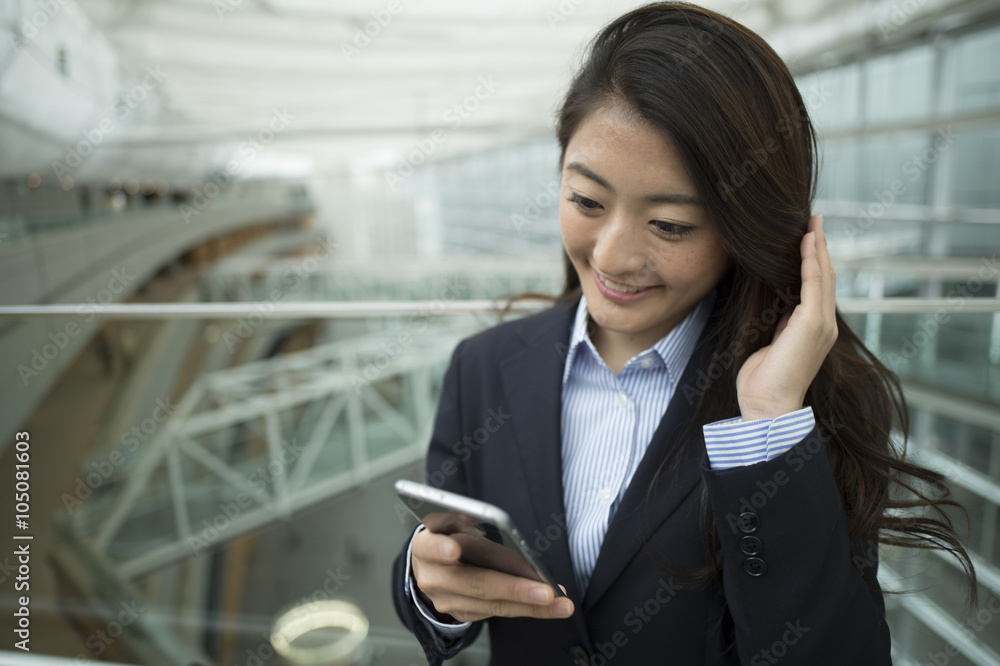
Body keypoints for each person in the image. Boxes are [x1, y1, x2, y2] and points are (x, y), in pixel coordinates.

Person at [391, 3, 977, 665]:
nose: (611, 256)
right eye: (586, 201)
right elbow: (443, 562)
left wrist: (767, 429)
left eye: (669, 225)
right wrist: (426, 588)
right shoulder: (485, 366)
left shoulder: (805, 410)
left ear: (747, 231)